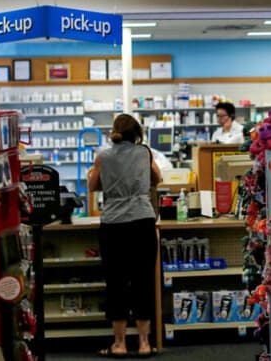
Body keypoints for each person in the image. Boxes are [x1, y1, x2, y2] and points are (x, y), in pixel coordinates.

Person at [88, 114, 162, 358]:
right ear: (137, 133)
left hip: (113, 224)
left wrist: (112, 181)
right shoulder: (145, 152)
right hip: (142, 221)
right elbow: (157, 179)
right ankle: (144, 343)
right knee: (143, 281)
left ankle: (119, 344)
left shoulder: (103, 156)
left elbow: (92, 185)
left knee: (115, 283)